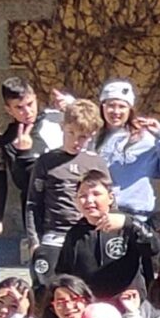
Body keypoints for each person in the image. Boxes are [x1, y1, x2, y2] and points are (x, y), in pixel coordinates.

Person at [25, 99, 106, 286]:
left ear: (92, 135)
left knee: (85, 289)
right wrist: (34, 241)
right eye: (71, 133)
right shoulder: (46, 161)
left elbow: (109, 203)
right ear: (62, 127)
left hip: (87, 236)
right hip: (54, 237)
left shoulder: (97, 163)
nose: (76, 142)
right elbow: (33, 204)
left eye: (83, 137)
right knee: (47, 289)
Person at [55, 171, 160, 302]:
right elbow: (64, 273)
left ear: (110, 197)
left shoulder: (127, 224)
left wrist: (129, 224)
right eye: (82, 196)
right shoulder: (75, 234)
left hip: (128, 304)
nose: (89, 200)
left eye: (96, 194)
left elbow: (155, 247)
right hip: (91, 306)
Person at [93, 80, 160, 232]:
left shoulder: (144, 137)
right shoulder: (94, 138)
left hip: (137, 215)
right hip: (103, 214)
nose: (116, 111)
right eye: (111, 105)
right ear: (103, 106)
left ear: (130, 109)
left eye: (122, 106)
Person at [0, 76, 66, 261]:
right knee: (46, 266)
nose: (27, 112)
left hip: (70, 205)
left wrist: (72, 108)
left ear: (36, 98)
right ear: (9, 109)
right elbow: (22, 183)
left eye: (30, 104)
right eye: (19, 107)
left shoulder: (57, 119)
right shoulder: (9, 140)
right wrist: (23, 154)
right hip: (41, 214)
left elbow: (90, 135)